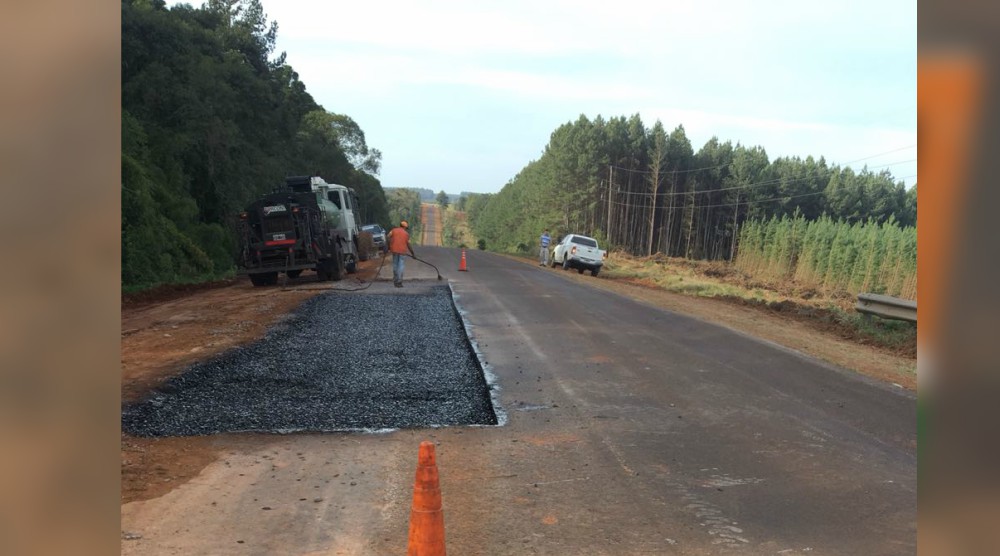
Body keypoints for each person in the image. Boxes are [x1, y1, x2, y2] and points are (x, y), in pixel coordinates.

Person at [387, 220, 415, 287]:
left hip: (394, 250)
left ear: (400, 225)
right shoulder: (406, 234)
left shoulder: (393, 230)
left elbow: (387, 237)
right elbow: (409, 245)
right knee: (401, 265)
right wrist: (413, 254)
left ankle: (395, 281)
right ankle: (399, 281)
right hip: (402, 252)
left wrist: (388, 246)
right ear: (405, 227)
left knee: (395, 265)